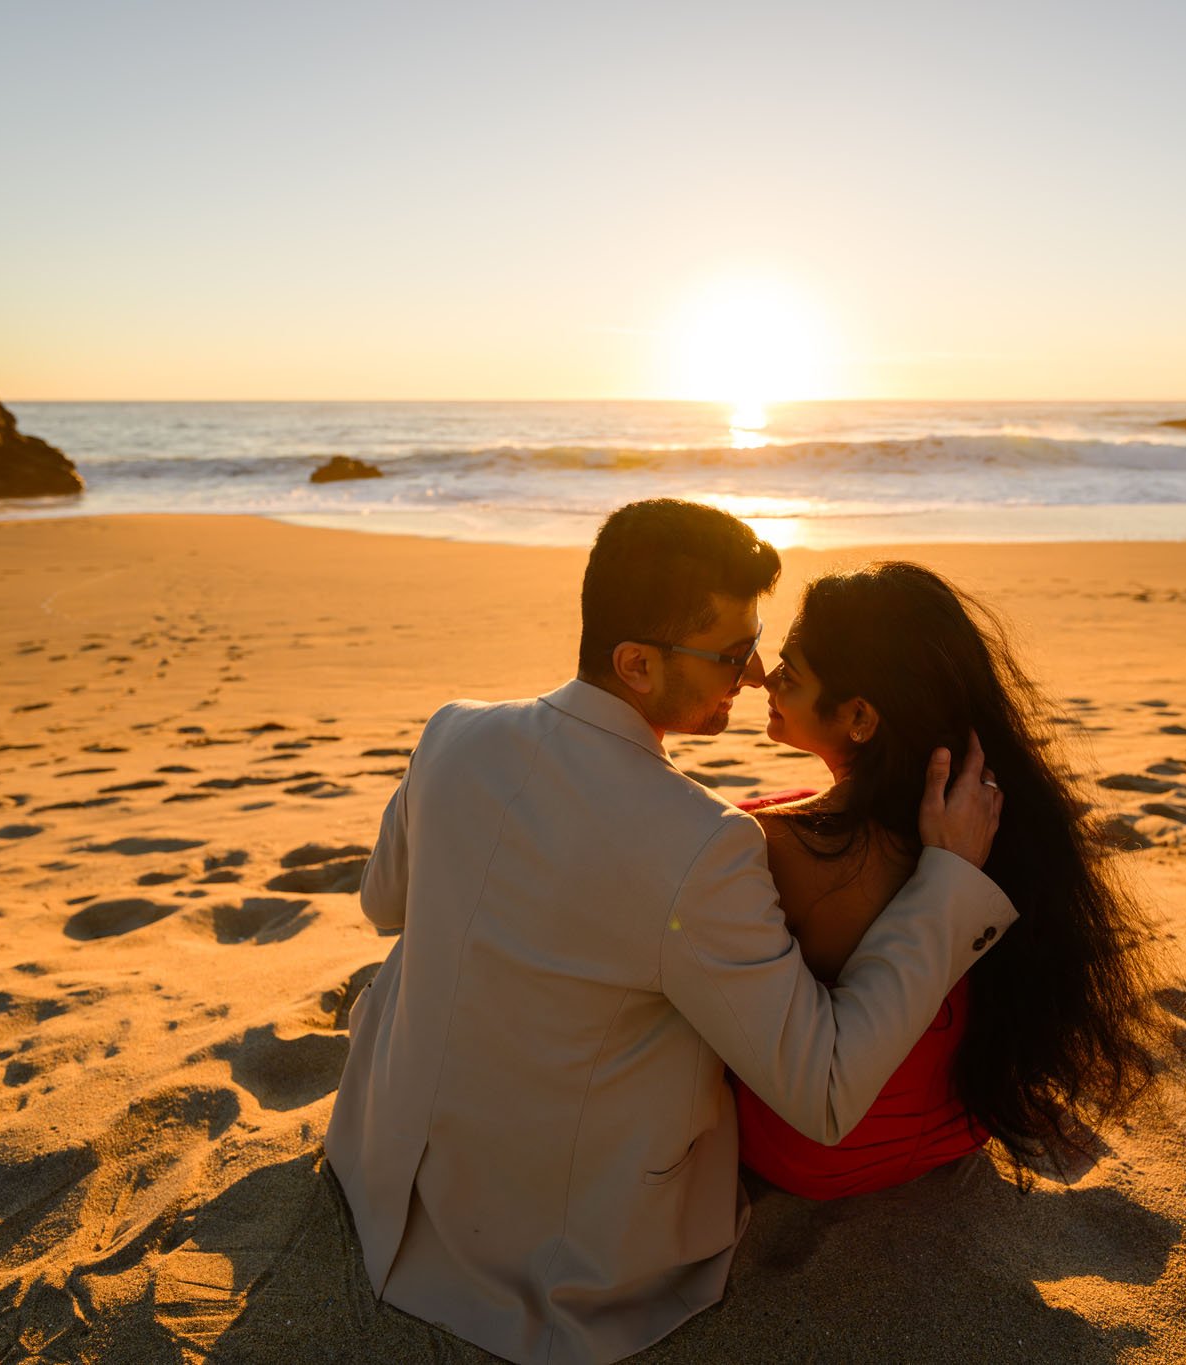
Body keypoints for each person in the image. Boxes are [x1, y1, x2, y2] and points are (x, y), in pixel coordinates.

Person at [323, 500, 1015, 1365]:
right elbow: (827, 1087)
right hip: (556, 1268)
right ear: (636, 663)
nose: (757, 671)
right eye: (730, 653)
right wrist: (947, 883)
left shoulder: (454, 731)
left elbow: (384, 905)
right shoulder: (708, 842)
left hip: (377, 1166)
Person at [735, 562, 1171, 1198]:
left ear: (859, 715)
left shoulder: (770, 844)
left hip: (812, 1153)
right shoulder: (997, 821)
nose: (766, 682)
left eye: (790, 674)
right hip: (960, 1127)